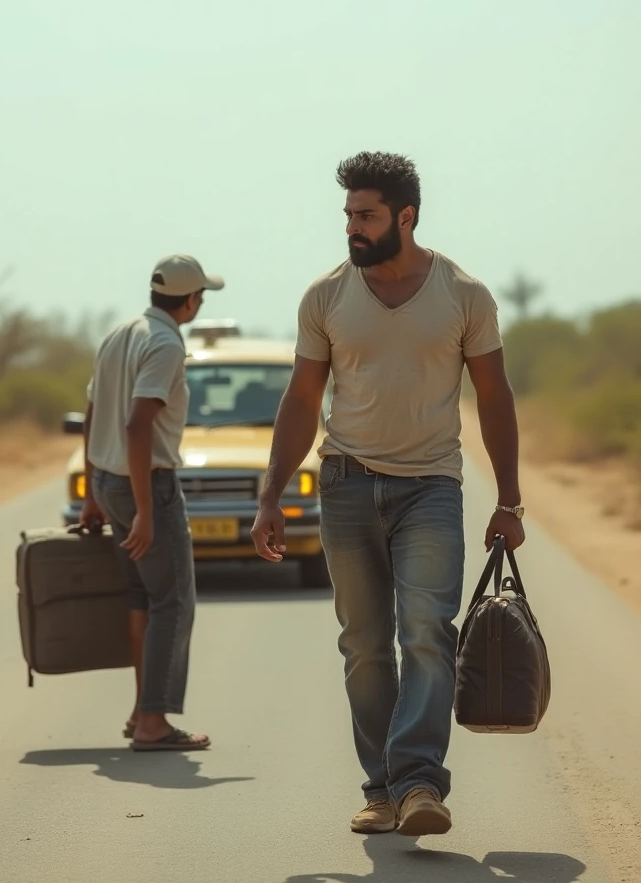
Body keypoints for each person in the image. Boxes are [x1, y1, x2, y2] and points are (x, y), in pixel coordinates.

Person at [251, 152, 525, 835]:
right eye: (348, 214)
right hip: (344, 484)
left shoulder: (465, 295)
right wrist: (270, 496)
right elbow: (302, 398)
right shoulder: (326, 296)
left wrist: (510, 500)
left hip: (430, 486)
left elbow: (493, 397)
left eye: (366, 214)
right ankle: (382, 790)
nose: (352, 226)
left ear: (405, 216)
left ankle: (420, 783)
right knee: (365, 644)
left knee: (427, 633)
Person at [80, 254, 224, 751]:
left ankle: (141, 709)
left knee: (143, 596)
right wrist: (145, 508)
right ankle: (153, 723)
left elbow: (93, 410)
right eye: (201, 296)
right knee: (173, 601)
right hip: (146, 488)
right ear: (188, 300)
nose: (201, 303)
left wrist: (92, 492)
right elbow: (137, 425)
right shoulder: (164, 343)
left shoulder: (122, 332)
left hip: (108, 481)